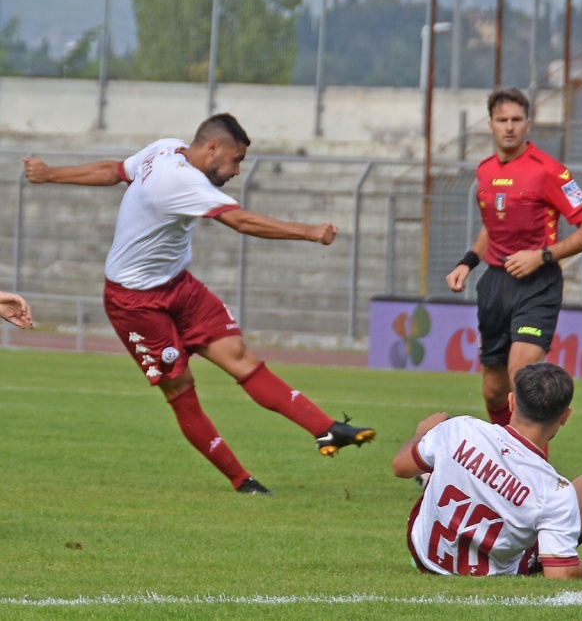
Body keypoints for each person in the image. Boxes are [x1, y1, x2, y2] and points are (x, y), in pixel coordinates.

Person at [23, 113, 375, 495]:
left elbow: (113, 170)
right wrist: (309, 232)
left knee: (240, 357)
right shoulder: (181, 178)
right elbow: (241, 222)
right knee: (181, 388)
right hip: (135, 303)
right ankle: (242, 481)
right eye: (236, 159)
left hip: (179, 286)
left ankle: (326, 429)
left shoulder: (165, 149)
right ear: (213, 148)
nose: (237, 170)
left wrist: (49, 173)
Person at [445, 87, 582, 426]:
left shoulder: (549, 171)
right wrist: (467, 262)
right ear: (490, 125)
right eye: (502, 120)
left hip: (537, 283)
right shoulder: (485, 171)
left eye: (516, 120)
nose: (509, 127)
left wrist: (542, 256)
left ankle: (532, 470)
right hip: (495, 284)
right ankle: (504, 466)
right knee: (493, 391)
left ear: (528, 124)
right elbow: (493, 227)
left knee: (523, 380)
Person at [392, 361, 582, 578]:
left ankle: (435, 475)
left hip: (424, 553)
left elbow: (400, 467)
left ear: (512, 401)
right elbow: (560, 576)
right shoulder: (554, 490)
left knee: (445, 458)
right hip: (490, 570)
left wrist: (423, 432)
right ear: (565, 417)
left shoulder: (459, 428)